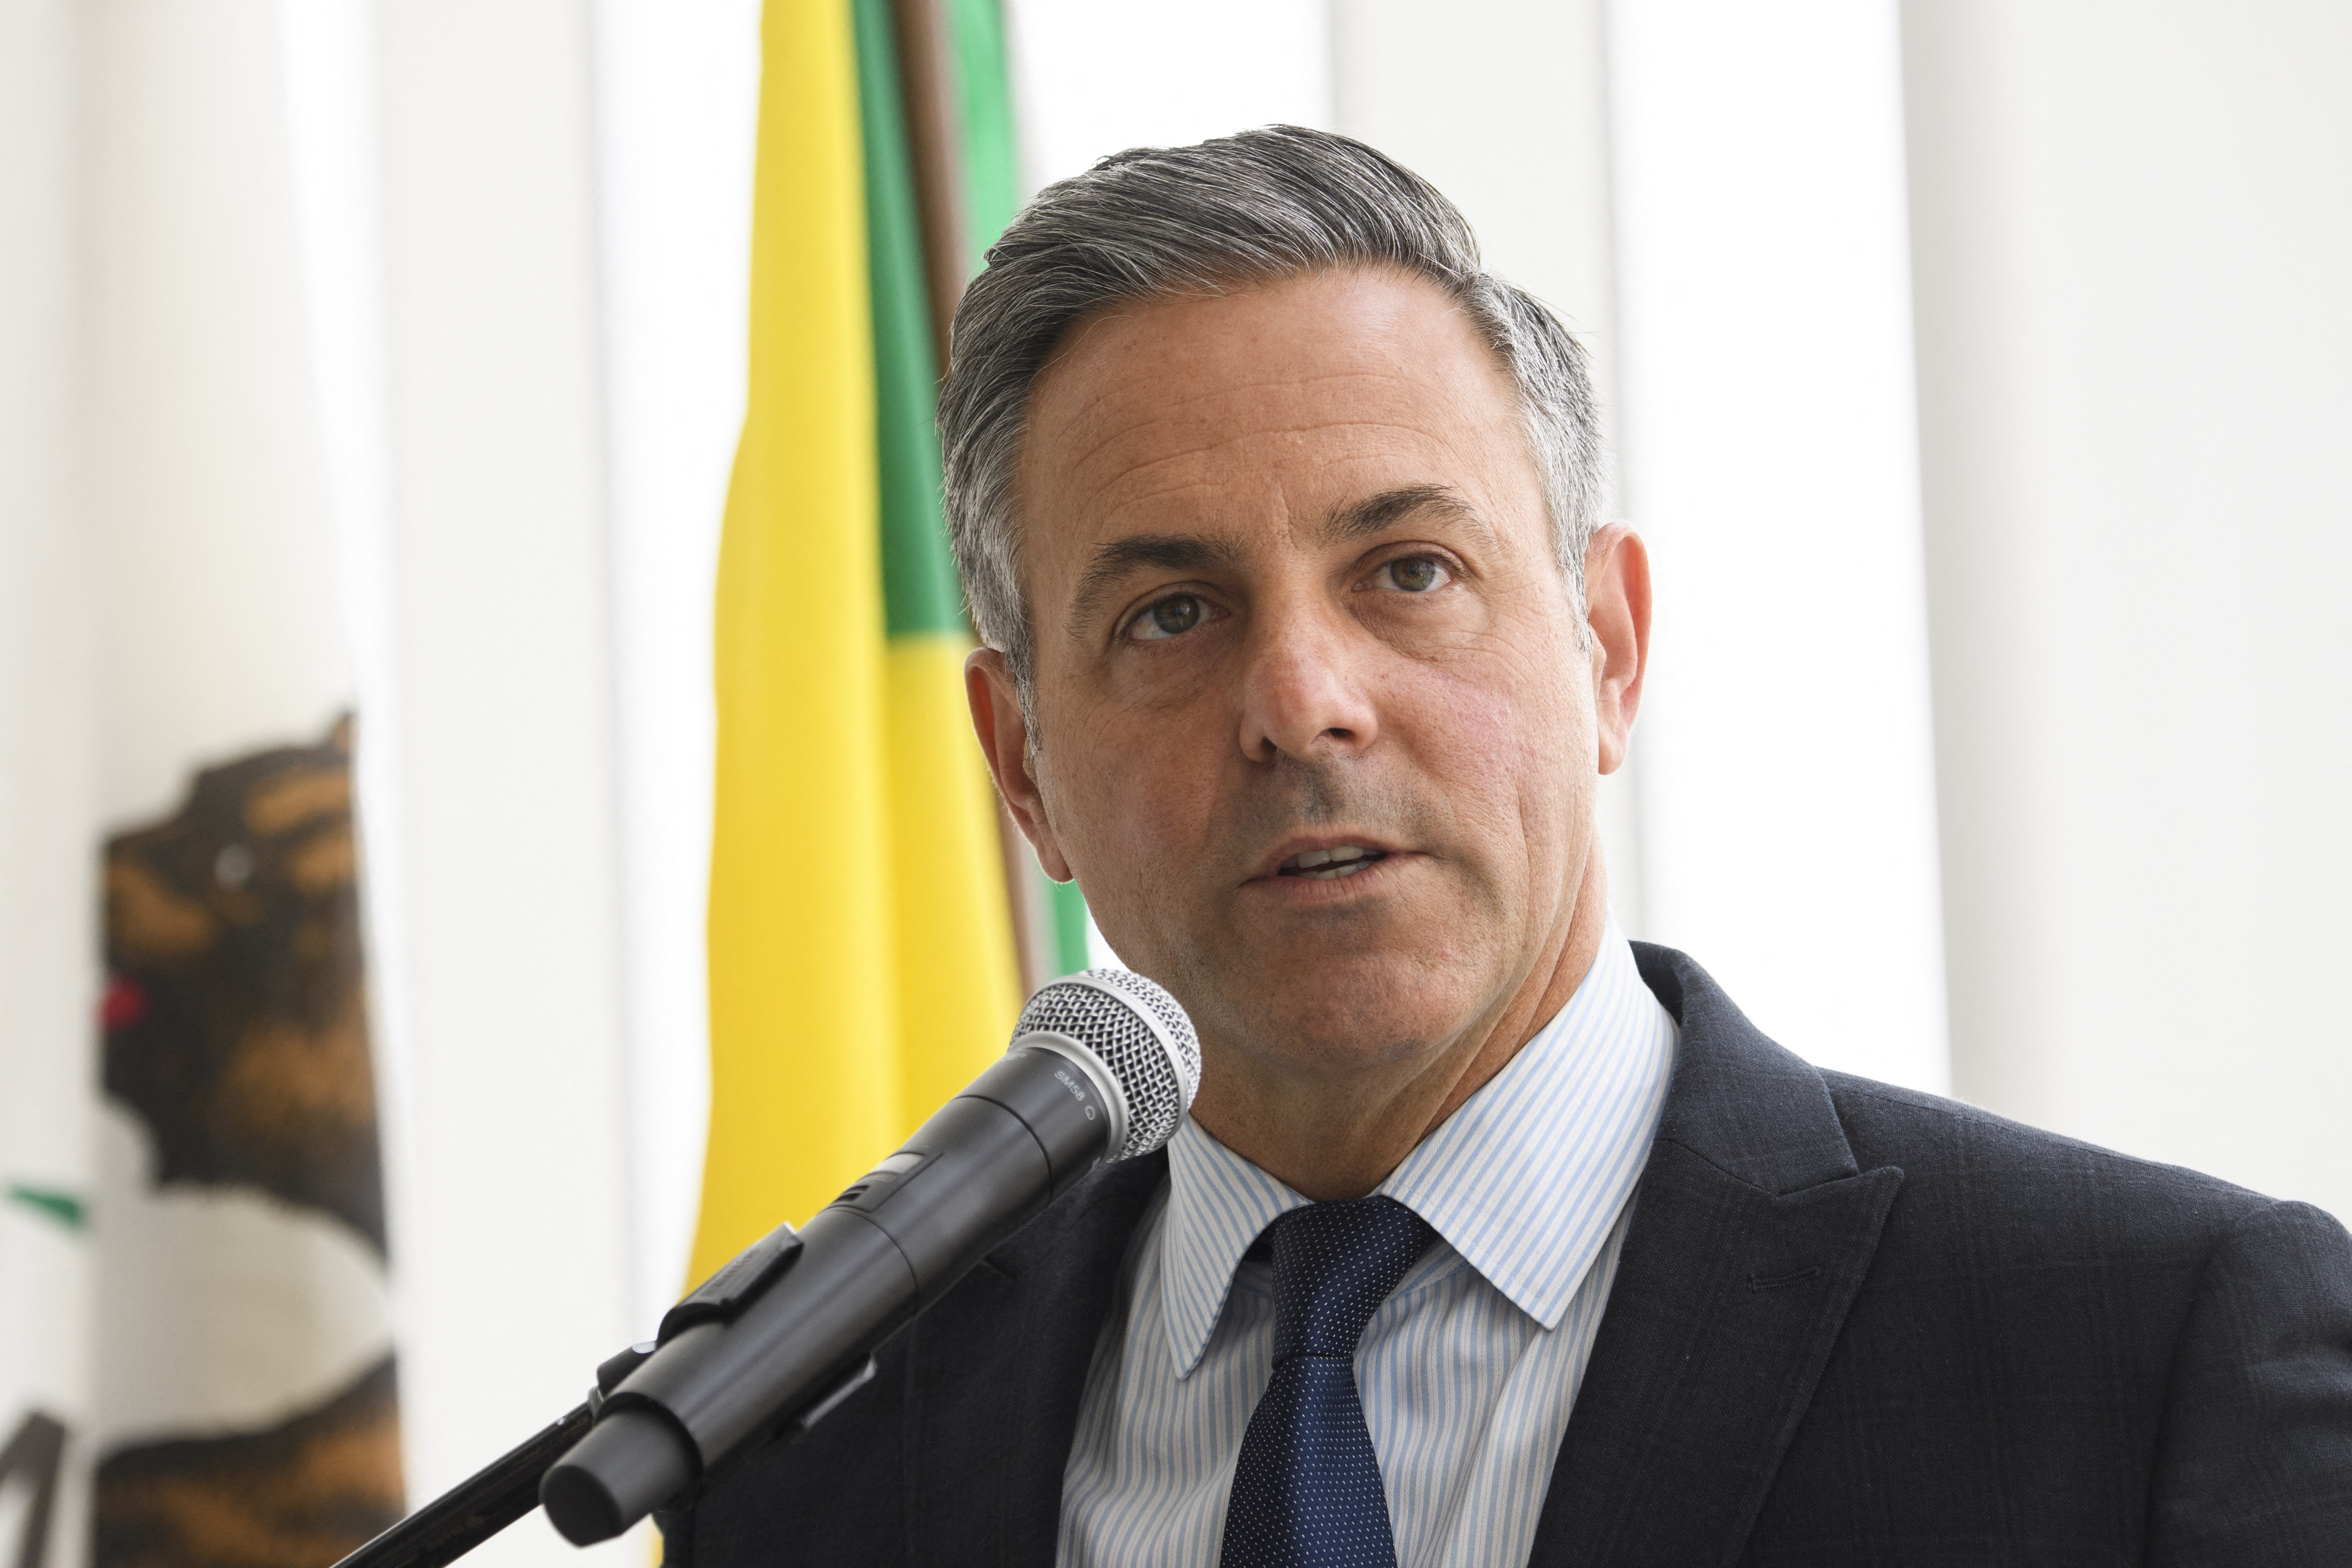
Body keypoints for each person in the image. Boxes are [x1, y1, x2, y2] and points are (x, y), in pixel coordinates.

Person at [662, 128, 2352, 1566]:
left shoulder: (2146, 1356)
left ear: (1606, 647)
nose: (1301, 703)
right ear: (1020, 762)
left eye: (1406, 569)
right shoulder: (810, 1446)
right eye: (1171, 613)